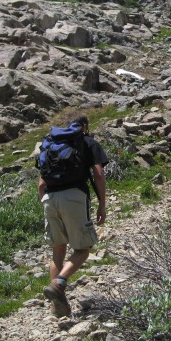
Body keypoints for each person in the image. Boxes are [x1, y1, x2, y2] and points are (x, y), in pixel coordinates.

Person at [38, 112, 108, 317]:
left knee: (58, 251)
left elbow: (42, 182)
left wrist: (44, 203)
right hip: (74, 197)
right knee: (83, 250)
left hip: (49, 198)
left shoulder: (50, 144)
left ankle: (57, 306)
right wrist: (102, 204)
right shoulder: (87, 142)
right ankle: (59, 284)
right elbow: (98, 174)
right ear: (84, 126)